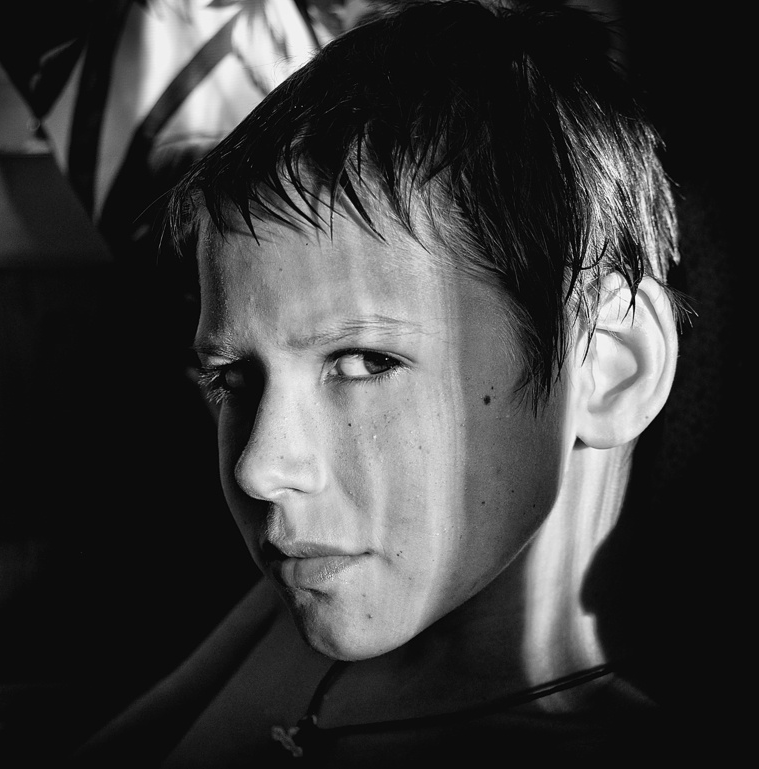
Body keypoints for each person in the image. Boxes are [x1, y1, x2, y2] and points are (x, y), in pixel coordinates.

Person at [75, 1, 686, 764]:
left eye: (365, 361)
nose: (259, 468)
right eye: (232, 378)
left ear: (610, 365)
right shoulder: (326, 586)